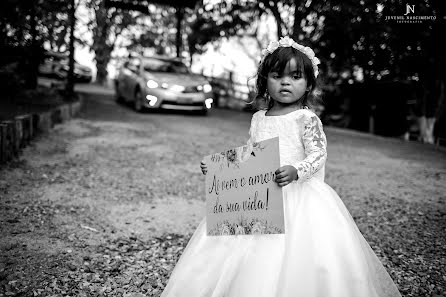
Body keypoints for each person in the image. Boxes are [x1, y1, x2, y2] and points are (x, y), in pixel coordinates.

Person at [161, 36, 402, 297]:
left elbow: (318, 153)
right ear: (265, 81)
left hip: (298, 197)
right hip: (260, 198)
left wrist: (297, 170)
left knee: (295, 255)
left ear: (309, 84)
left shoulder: (306, 119)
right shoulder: (258, 118)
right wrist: (224, 169)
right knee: (240, 252)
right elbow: (251, 154)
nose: (286, 82)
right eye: (277, 75)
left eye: (296, 76)